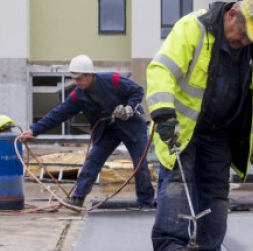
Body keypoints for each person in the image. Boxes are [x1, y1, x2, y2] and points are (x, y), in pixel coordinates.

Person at [147, 0, 253, 251]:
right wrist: (163, 115)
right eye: (243, 35)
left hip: (222, 132)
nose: (244, 42)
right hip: (183, 126)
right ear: (232, 16)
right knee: (178, 183)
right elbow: (161, 70)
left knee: (217, 192)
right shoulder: (193, 27)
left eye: (251, 38)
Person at [17, 54, 155, 208]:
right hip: (107, 130)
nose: (75, 82)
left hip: (132, 126)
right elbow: (58, 114)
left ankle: (146, 201)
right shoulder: (78, 95)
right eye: (73, 78)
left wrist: (129, 108)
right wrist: (34, 130)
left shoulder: (113, 80)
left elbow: (137, 91)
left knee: (140, 163)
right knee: (92, 160)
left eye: (79, 79)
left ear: (89, 75)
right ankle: (78, 198)